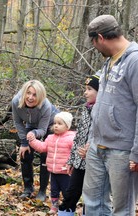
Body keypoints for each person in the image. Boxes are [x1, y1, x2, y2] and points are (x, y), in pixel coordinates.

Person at [83, 14, 138, 216]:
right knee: (93, 202)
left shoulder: (134, 61)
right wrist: (91, 139)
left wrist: (137, 152)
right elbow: (100, 106)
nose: (95, 47)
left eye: (94, 42)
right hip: (98, 146)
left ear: (100, 37)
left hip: (122, 150)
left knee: (122, 209)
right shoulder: (109, 63)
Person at [57, 74, 99, 216]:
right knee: (71, 194)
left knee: (91, 198)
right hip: (80, 163)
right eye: (85, 89)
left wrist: (92, 149)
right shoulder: (85, 110)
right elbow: (78, 138)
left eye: (89, 89)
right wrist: (72, 160)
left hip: (95, 162)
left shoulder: (101, 111)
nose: (85, 92)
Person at [12, 80, 59, 201]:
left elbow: (42, 130)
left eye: (34, 95)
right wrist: (24, 142)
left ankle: (42, 191)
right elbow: (18, 122)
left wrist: (33, 134)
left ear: (40, 96)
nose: (30, 97)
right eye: (28, 93)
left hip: (50, 124)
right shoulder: (16, 102)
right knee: (25, 153)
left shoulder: (46, 106)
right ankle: (28, 188)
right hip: (31, 124)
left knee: (45, 154)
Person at [28, 111, 75, 215]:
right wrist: (32, 141)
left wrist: (72, 164)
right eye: (55, 123)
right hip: (53, 171)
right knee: (54, 190)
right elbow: (42, 147)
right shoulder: (50, 138)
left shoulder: (71, 138)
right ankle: (54, 205)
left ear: (67, 126)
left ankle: (68, 207)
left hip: (65, 172)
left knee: (66, 191)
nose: (56, 126)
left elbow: (75, 152)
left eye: (60, 123)